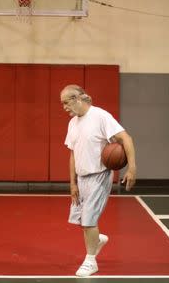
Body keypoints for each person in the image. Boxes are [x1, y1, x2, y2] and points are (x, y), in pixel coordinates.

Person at [60, 84, 137, 277]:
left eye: (66, 103)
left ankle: (90, 261)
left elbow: (126, 138)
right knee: (81, 220)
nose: (64, 108)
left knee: (88, 221)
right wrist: (73, 183)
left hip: (99, 176)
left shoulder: (100, 116)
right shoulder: (72, 124)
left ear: (77, 98)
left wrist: (132, 168)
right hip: (82, 178)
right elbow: (73, 155)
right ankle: (97, 240)